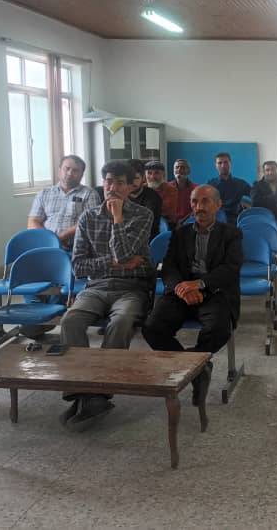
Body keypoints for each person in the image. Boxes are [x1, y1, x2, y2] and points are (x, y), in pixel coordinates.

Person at [58, 160, 155, 431]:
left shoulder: (143, 215)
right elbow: (78, 267)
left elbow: (124, 255)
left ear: (130, 187)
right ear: (103, 184)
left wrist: (118, 218)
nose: (113, 188)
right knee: (70, 320)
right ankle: (82, 391)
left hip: (131, 288)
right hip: (96, 287)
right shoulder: (88, 218)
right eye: (109, 181)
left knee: (121, 322)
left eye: (120, 183)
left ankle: (101, 391)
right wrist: (112, 263)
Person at [143, 185, 243, 406]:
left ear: (218, 205)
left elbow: (230, 269)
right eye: (194, 202)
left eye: (205, 201)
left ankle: (191, 366)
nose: (199, 207)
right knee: (151, 328)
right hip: (182, 292)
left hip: (214, 292)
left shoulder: (231, 234)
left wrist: (199, 284)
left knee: (218, 329)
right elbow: (168, 267)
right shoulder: (181, 233)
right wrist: (181, 287)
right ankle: (198, 369)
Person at [28, 155, 100, 250]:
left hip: (74, 247)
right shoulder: (44, 193)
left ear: (82, 175)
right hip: (45, 245)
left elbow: (90, 223)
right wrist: (47, 239)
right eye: (67, 169)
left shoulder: (89, 194)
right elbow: (33, 221)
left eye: (75, 171)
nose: (70, 173)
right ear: (59, 171)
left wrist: (58, 238)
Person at [251, 160, 277, 262]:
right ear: (264, 172)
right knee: (256, 234)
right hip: (262, 220)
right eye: (267, 170)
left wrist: (266, 199)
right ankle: (267, 255)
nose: (270, 172)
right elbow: (256, 201)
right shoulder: (257, 185)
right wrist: (276, 200)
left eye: (273, 169)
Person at [207, 152, 252, 224]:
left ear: (230, 163)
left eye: (225, 162)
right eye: (219, 163)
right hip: (218, 221)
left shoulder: (241, 183)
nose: (223, 165)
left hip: (237, 221)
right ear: (216, 165)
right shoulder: (211, 185)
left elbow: (255, 196)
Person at [125, 159, 162, 241]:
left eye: (136, 178)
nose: (131, 182)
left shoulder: (153, 198)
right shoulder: (122, 195)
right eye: (129, 178)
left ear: (143, 178)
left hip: (146, 240)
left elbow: (146, 227)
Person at [145, 160, 178, 227]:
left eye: (156, 173)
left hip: (167, 224)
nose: (152, 177)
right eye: (149, 173)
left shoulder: (171, 189)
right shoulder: (142, 188)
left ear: (163, 174)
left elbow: (167, 211)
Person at [167, 159, 198, 224]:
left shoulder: (196, 189)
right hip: (169, 222)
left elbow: (196, 209)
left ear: (189, 171)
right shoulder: (166, 188)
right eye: (177, 167)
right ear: (173, 170)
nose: (179, 169)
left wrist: (183, 221)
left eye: (183, 167)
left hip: (188, 222)